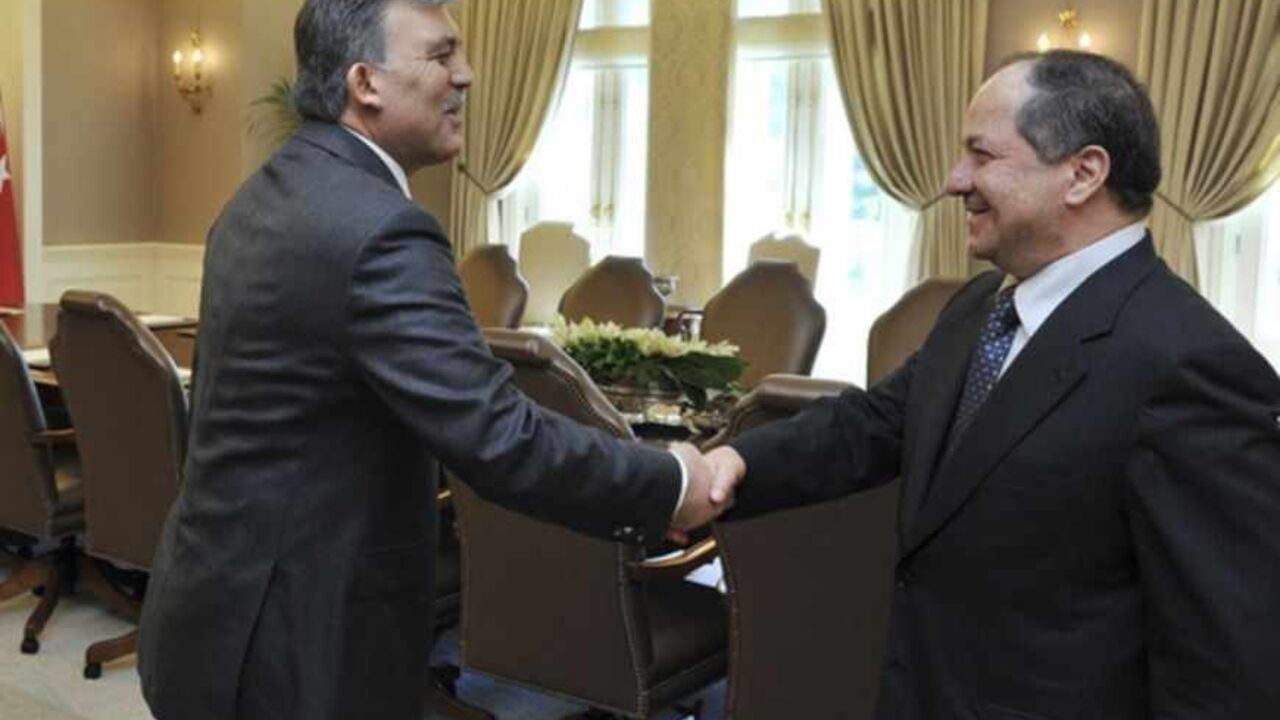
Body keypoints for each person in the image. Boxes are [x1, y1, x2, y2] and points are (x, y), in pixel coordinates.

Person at [137, 2, 730, 719]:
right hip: (299, 645)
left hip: (211, 612)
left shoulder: (265, 195)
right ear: (366, 82)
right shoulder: (381, 228)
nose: (467, 75)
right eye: (441, 54)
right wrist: (669, 483)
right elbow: (502, 439)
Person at [705, 50, 1280, 719]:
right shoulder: (981, 306)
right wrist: (732, 461)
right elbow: (876, 424)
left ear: (1083, 173)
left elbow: (1226, 657)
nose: (955, 180)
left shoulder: (1192, 364)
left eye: (982, 155)